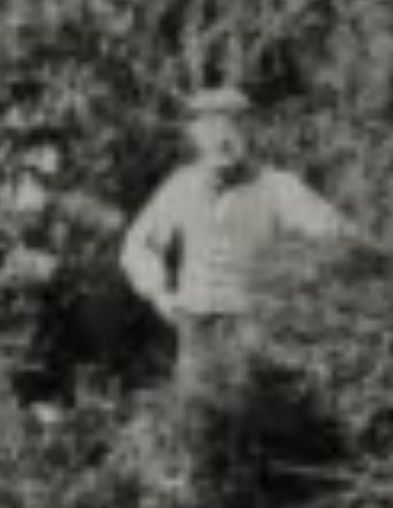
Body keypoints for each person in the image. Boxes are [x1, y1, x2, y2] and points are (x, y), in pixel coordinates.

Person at [120, 86, 348, 392]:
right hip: (195, 334)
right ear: (195, 138)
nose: (222, 141)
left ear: (249, 133)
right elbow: (137, 244)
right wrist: (160, 294)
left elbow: (338, 236)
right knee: (196, 420)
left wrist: (295, 295)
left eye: (232, 130)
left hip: (255, 331)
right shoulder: (180, 186)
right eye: (210, 131)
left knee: (252, 415)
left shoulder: (277, 187)